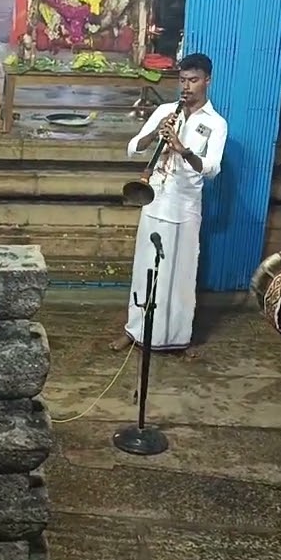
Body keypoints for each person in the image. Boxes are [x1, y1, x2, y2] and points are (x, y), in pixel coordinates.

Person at [108, 53, 226, 355]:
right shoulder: (165, 110)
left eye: (194, 80)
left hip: (185, 209)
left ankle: (175, 338)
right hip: (154, 201)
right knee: (144, 269)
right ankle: (135, 331)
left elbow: (212, 168)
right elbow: (133, 147)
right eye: (183, 80)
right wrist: (155, 131)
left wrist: (183, 150)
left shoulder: (216, 123)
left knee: (179, 276)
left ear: (208, 81)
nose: (186, 86)